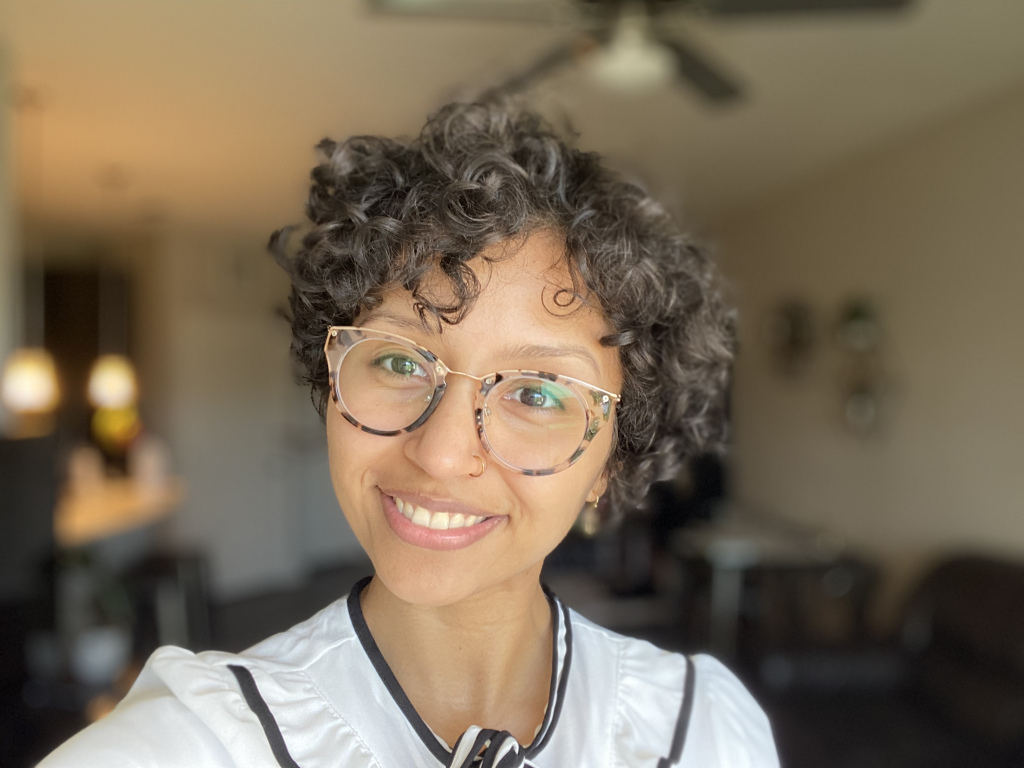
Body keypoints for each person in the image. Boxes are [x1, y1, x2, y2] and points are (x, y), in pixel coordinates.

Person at [40, 101, 778, 768]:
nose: (442, 453)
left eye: (537, 393)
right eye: (399, 361)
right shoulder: (195, 742)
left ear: (612, 460)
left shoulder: (702, 732)